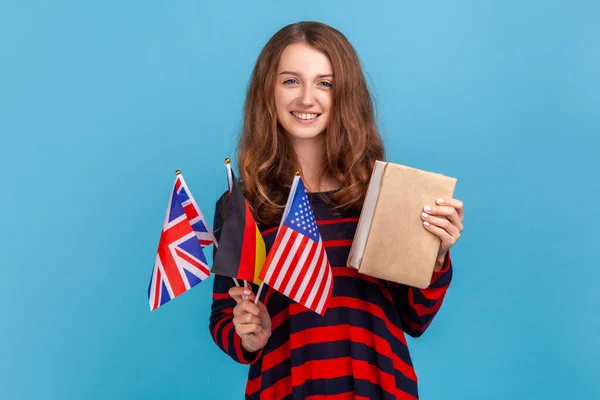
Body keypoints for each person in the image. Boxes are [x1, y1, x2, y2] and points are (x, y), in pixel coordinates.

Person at [209, 21, 464, 400]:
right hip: (286, 387)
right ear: (268, 91)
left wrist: (437, 255)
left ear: (344, 94)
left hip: (378, 386)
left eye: (324, 83)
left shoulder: (382, 195)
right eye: (291, 81)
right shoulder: (243, 205)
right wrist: (247, 336)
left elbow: (415, 318)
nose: (307, 98)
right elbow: (222, 318)